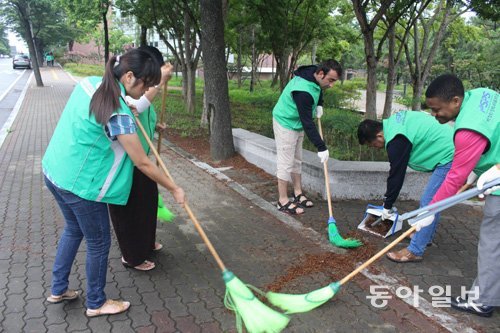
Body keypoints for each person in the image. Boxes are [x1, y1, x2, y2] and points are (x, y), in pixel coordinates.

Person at [42, 48, 185, 317]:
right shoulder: (117, 113)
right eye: (146, 85)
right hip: (81, 186)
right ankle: (96, 302)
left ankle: (58, 288)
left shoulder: (91, 84)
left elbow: (117, 112)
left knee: (73, 230)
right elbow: (142, 162)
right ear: (129, 76)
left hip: (54, 172)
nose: (146, 92)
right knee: (99, 242)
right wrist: (174, 187)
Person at [413, 74, 499, 317]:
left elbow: (454, 177)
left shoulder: (467, 131)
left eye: (437, 110)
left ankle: (482, 301)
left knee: (493, 243)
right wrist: (479, 169)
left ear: (455, 101)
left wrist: (430, 209)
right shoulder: (483, 94)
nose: (435, 115)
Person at [357, 111, 454, 262]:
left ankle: (415, 250)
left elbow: (396, 175)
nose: (375, 148)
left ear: (379, 136)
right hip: (449, 145)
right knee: (434, 202)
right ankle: (424, 237)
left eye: (373, 145)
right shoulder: (393, 123)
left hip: (450, 154)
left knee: (429, 204)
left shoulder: (396, 139)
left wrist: (387, 206)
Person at [108, 45, 170, 271]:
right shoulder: (121, 92)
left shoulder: (138, 88)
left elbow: (143, 114)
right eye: (150, 77)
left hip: (141, 157)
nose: (152, 83)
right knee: (129, 210)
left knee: (148, 202)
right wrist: (160, 82)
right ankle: (132, 256)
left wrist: (156, 126)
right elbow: (134, 106)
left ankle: (145, 243)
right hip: (126, 161)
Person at [272, 59, 342, 215]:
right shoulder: (303, 92)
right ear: (321, 74)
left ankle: (297, 193)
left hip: (296, 121)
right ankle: (282, 200)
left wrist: (319, 104)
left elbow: (319, 90)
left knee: (297, 159)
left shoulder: (314, 73)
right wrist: (321, 146)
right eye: (331, 80)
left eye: (334, 81)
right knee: (286, 162)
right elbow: (307, 123)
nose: (331, 85)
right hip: (286, 122)